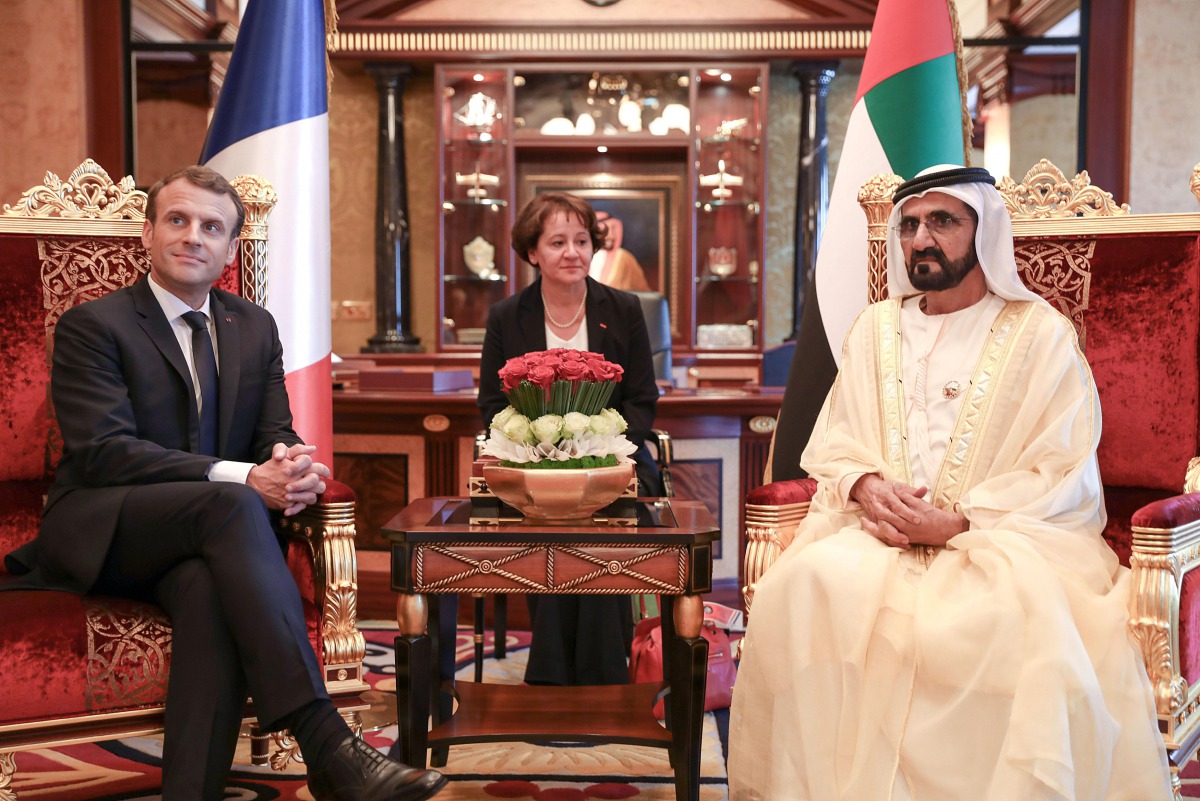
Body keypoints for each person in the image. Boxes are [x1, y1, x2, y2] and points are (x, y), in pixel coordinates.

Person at [727, 165, 1171, 801]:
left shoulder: (1039, 333)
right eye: (909, 225)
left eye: (942, 221)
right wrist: (861, 486)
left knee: (1003, 626)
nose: (921, 239)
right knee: (805, 587)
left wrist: (960, 524)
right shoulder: (876, 328)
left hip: (1002, 539)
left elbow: (1062, 465)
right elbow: (839, 436)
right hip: (875, 537)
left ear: (982, 230)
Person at [2, 166, 446, 801]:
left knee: (209, 591)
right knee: (232, 503)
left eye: (212, 227)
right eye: (177, 220)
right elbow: (104, 453)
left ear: (231, 249)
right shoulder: (94, 326)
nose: (193, 237)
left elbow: (276, 432)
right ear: (149, 233)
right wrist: (245, 478)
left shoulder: (253, 326)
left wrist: (294, 468)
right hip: (111, 530)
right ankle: (325, 739)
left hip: (209, 541)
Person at [477, 192, 660, 685]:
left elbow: (642, 398)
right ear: (533, 252)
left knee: (595, 520)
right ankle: (552, 669)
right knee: (549, 514)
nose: (572, 252)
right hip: (529, 462)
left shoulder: (623, 309)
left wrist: (603, 449)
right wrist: (537, 454)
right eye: (557, 242)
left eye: (581, 240)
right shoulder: (506, 316)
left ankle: (602, 672)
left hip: (612, 462)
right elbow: (492, 405)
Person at [589, 210, 653, 292]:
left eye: (613, 229)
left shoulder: (624, 257)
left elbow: (644, 294)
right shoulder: (584, 256)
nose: (611, 236)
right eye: (604, 231)